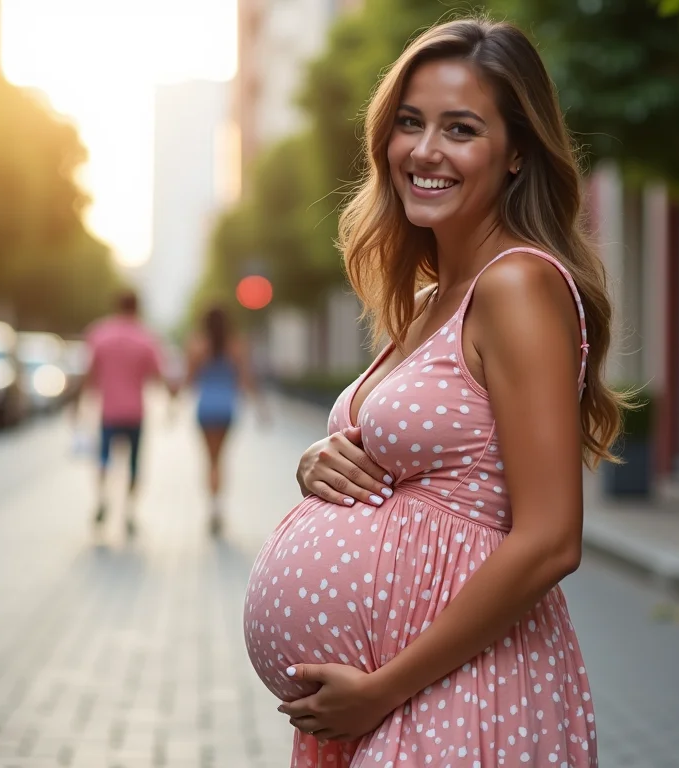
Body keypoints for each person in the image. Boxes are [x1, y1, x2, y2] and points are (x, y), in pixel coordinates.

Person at [241, 17, 622, 766]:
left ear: (516, 153)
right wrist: (318, 465)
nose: (425, 150)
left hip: (463, 692)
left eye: (461, 128)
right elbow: (415, 457)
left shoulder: (516, 285)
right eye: (410, 123)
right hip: (398, 696)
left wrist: (382, 689)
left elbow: (550, 541)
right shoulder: (428, 303)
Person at [80, 290, 175, 536]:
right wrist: (171, 403)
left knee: (104, 459)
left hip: (108, 412)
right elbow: (157, 376)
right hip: (135, 413)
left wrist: (78, 402)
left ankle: (103, 499)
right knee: (133, 464)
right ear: (137, 308)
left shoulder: (99, 334)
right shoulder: (146, 338)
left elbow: (89, 373)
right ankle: (129, 512)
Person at [184, 305, 262, 536]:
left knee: (210, 460)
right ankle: (219, 509)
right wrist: (261, 408)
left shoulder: (197, 345)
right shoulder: (236, 345)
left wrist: (172, 402)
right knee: (221, 459)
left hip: (205, 407)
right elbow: (246, 379)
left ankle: (212, 507)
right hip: (227, 407)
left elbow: (189, 379)